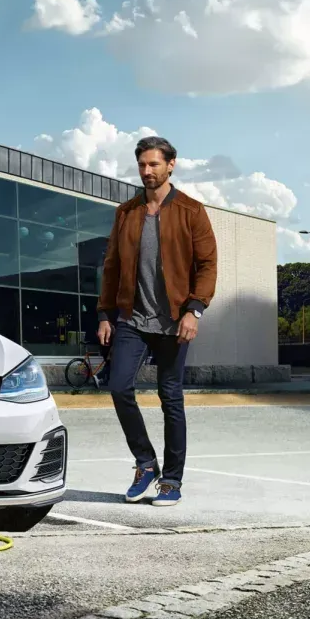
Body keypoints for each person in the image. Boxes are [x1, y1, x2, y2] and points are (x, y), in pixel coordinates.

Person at [97, 136, 218, 507]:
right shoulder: (126, 212)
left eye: (154, 164)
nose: (147, 172)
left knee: (170, 397)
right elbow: (113, 265)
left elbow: (208, 264)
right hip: (132, 317)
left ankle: (172, 480)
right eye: (142, 165)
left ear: (171, 165)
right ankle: (145, 463)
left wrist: (194, 310)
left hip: (174, 320)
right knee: (118, 387)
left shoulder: (191, 210)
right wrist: (105, 313)